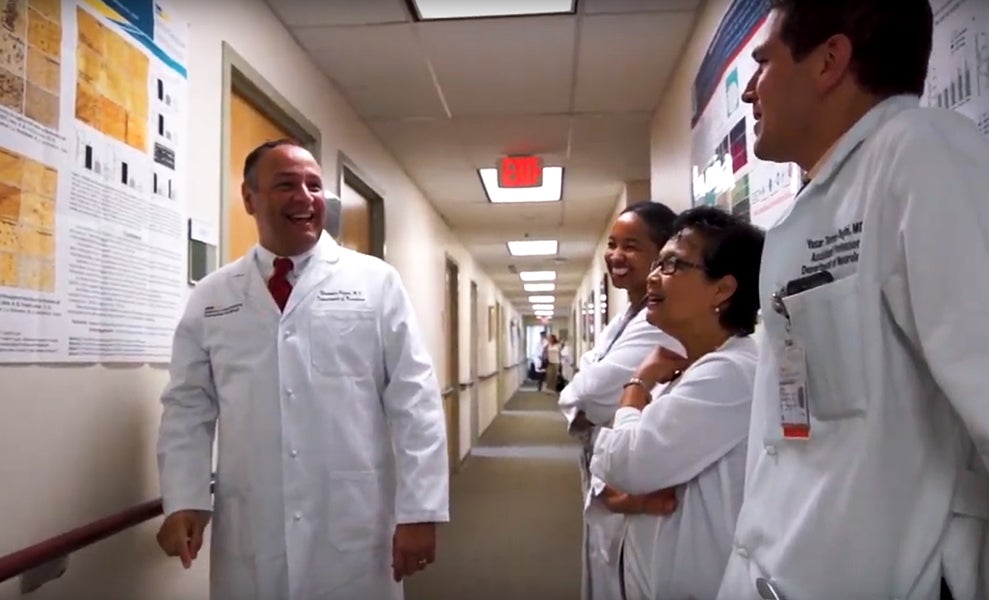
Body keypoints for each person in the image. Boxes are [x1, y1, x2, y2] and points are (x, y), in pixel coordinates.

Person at [717, 2, 989, 599]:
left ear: (829, 62)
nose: (749, 93)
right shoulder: (820, 200)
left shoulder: (922, 154)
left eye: (763, 64)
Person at [155, 139, 450, 600]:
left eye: (314, 186)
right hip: (253, 520)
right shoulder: (213, 296)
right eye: (286, 185)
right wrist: (184, 499)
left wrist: (419, 511)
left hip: (353, 518)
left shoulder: (375, 283)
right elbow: (188, 405)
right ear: (249, 198)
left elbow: (416, 401)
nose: (305, 198)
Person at [591, 206, 763, 600]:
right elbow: (619, 478)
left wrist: (636, 386)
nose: (652, 276)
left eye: (671, 265)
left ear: (722, 289)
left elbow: (625, 462)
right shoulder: (697, 367)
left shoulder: (729, 373)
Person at [558, 201, 684, 600]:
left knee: (626, 577)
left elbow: (591, 392)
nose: (616, 255)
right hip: (608, 470)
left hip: (635, 476)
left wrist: (588, 391)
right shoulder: (626, 316)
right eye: (612, 244)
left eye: (631, 245)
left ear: (662, 253)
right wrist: (586, 388)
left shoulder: (657, 321)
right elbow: (584, 388)